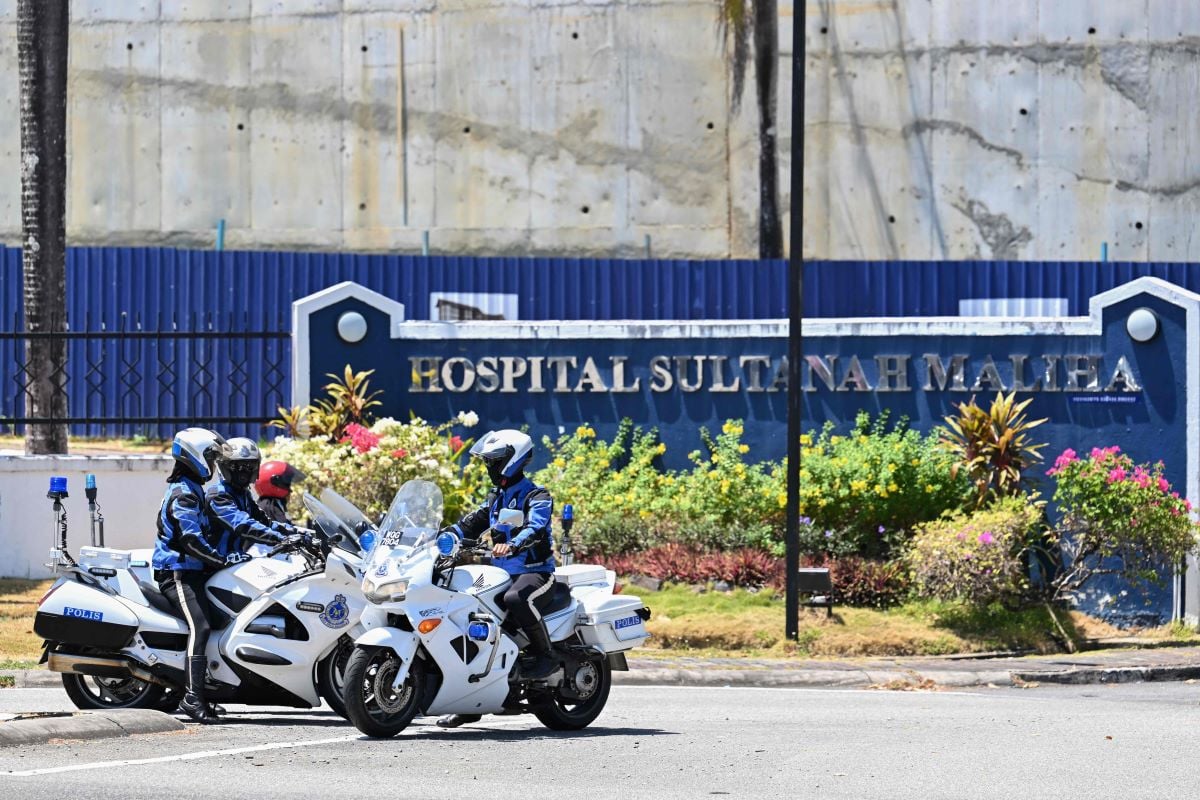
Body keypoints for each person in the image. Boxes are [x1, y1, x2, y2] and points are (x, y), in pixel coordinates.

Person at [437, 429, 557, 728]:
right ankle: (470, 700)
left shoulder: (537, 496)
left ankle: (546, 656)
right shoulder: (495, 498)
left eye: (493, 461)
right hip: (500, 573)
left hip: (534, 572)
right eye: (487, 461)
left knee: (515, 599)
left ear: (513, 460)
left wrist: (513, 544)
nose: (489, 466)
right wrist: (440, 537)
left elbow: (536, 528)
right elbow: (469, 524)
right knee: (466, 612)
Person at [152, 428, 248, 725]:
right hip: (177, 574)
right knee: (201, 626)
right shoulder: (184, 494)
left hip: (193, 572)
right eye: (210, 457)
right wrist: (220, 559)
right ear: (194, 456)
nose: (214, 463)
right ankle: (193, 697)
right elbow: (190, 540)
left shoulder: (193, 489)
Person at [207, 440, 308, 558]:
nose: (244, 472)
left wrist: (300, 532)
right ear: (224, 466)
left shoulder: (244, 494)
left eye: (250, 467)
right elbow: (242, 525)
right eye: (237, 466)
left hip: (235, 560)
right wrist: (281, 538)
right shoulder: (218, 495)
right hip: (214, 563)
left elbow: (265, 522)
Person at [254, 460, 306, 525]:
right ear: (276, 482)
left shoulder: (272, 504)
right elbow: (283, 528)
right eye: (287, 484)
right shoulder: (269, 508)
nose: (290, 490)